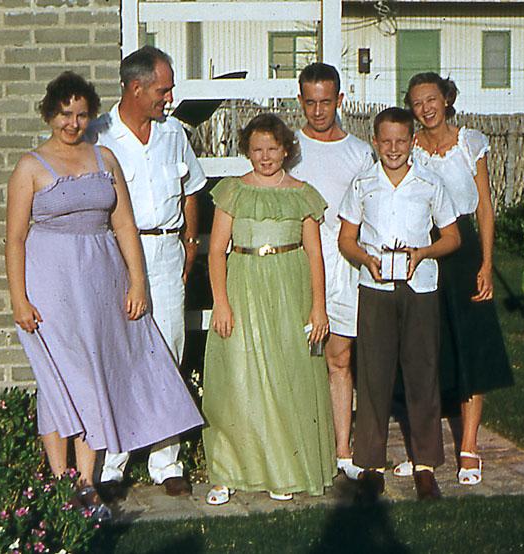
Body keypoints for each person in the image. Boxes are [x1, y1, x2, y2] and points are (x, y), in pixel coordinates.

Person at [5, 71, 204, 518]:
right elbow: (14, 239)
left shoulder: (106, 158)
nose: (72, 124)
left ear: (91, 116)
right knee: (59, 379)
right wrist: (19, 298)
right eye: (64, 115)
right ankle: (60, 483)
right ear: (49, 114)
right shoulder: (30, 166)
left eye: (80, 115)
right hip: (50, 283)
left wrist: (137, 281)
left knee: (94, 376)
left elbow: (123, 225)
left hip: (101, 278)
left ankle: (85, 483)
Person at [89, 46, 207, 498]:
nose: (170, 97)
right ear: (135, 88)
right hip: (119, 253)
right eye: (163, 89)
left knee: (170, 351)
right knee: (119, 354)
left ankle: (165, 459)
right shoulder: (100, 136)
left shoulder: (172, 132)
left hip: (168, 251)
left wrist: (191, 244)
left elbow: (191, 188)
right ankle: (114, 463)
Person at [202, 113, 335, 505]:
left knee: (285, 377)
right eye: (257, 149)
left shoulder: (301, 193)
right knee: (237, 378)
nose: (265, 157)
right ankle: (229, 472)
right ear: (247, 150)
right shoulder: (232, 191)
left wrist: (319, 307)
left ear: (286, 150)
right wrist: (220, 303)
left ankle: (284, 470)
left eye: (272, 149)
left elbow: (315, 253)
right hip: (243, 286)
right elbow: (215, 251)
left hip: (289, 288)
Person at [393, 72, 514, 486]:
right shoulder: (409, 149)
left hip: (463, 254)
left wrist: (485, 264)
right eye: (416, 103)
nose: (425, 109)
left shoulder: (469, 143)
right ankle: (423, 447)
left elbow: (484, 209)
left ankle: (469, 448)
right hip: (423, 252)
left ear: (446, 100)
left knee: (470, 345)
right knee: (422, 349)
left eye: (431, 100)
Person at [338, 107, 460, 501]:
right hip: (374, 288)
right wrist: (366, 259)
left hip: (420, 287)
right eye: (385, 141)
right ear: (375, 142)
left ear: (412, 142)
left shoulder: (429, 182)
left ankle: (425, 466)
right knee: (373, 375)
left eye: (400, 141)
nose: (393, 148)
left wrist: (422, 253)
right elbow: (346, 239)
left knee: (422, 374)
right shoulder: (362, 183)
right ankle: (370, 465)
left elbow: (452, 237)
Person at [288, 63, 374, 481]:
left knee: (340, 359)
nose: (318, 111)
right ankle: (301, 446)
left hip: (343, 269)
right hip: (296, 265)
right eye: (310, 102)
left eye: (326, 102)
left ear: (340, 100)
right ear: (300, 100)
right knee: (297, 359)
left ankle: (342, 448)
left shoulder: (360, 153)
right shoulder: (289, 151)